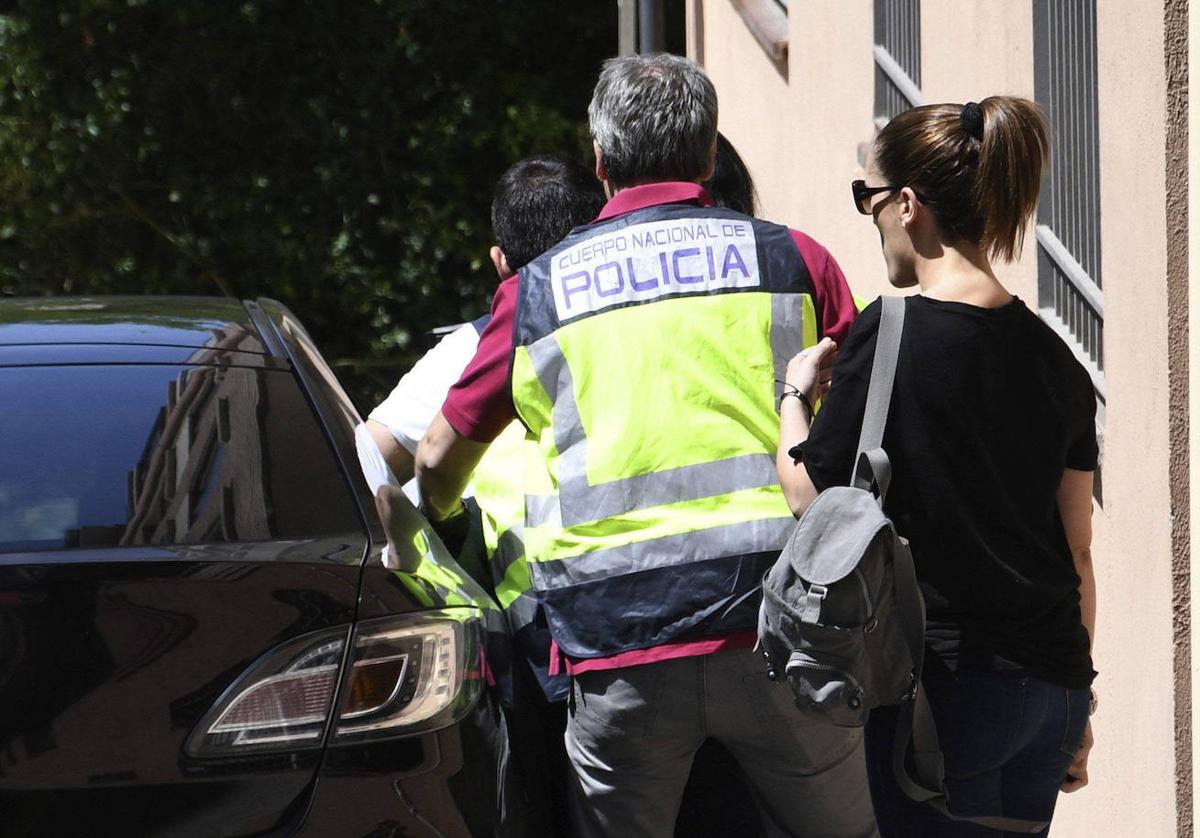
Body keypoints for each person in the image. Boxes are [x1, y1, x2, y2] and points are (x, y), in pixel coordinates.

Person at [417, 54, 871, 837]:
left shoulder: (536, 292)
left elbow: (434, 458)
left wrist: (444, 516)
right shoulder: (798, 258)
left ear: (599, 164)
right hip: (780, 630)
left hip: (618, 647)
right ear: (706, 154)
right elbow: (866, 415)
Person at [776, 97, 1097, 837]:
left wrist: (795, 394)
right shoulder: (1056, 361)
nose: (873, 218)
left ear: (909, 204)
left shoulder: (886, 335)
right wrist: (1080, 702)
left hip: (940, 693)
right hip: (1048, 690)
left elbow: (807, 495)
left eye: (870, 198)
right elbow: (1076, 548)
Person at [359, 154, 605, 837]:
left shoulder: (466, 352)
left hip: (519, 636)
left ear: (500, 261)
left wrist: (421, 551)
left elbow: (368, 458)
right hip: (626, 612)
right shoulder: (631, 331)